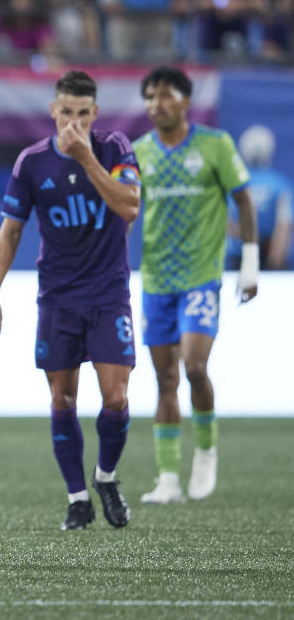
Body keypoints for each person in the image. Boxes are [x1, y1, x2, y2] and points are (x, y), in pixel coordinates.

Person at [0, 70, 141, 531]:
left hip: (109, 293)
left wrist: (86, 158)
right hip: (58, 298)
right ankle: (77, 499)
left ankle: (105, 477)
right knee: (62, 398)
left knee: (116, 397)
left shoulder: (114, 149)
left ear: (95, 113)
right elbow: (10, 232)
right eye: (66, 112)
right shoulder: (30, 163)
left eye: (83, 113)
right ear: (53, 111)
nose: (73, 121)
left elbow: (129, 206)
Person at [134, 65, 258, 504]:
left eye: (165, 95)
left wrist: (250, 263)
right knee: (164, 379)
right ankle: (168, 478)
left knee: (194, 367)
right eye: (149, 97)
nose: (156, 104)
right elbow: (126, 209)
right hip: (156, 280)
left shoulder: (214, 145)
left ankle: (206, 451)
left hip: (201, 278)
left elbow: (243, 199)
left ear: (185, 100)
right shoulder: (139, 153)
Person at [226, 125, 293, 270]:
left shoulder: (234, 182)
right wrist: (275, 261)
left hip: (241, 252)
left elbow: (225, 222)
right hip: (269, 251)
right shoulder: (280, 184)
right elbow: (284, 226)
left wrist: (248, 237)